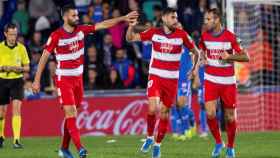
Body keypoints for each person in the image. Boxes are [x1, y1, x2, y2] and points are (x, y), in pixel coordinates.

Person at [31, 4, 138, 158]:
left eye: (77, 15)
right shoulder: (56, 36)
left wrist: (123, 18)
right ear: (65, 17)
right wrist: (36, 80)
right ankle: (80, 148)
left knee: (72, 116)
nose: (77, 18)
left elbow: (103, 24)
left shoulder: (81, 30)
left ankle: (64, 149)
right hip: (64, 80)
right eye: (73, 16)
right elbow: (44, 58)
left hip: (78, 80)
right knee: (71, 113)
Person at [126, 7, 200, 158]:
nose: (176, 20)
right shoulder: (154, 32)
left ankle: (158, 145)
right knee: (152, 109)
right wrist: (130, 25)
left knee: (164, 113)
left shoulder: (182, 35)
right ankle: (149, 138)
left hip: (171, 80)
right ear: (165, 18)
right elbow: (130, 38)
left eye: (176, 17)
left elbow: (196, 52)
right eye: (173, 17)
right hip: (156, 77)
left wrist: (193, 69)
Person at [199, 8, 249, 158]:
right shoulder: (204, 36)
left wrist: (229, 57)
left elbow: (246, 57)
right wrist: (202, 57)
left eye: (208, 19)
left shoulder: (230, 37)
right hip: (211, 79)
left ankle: (230, 147)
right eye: (205, 19)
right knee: (210, 112)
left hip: (228, 82)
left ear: (217, 20)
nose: (205, 22)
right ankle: (218, 142)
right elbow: (201, 49)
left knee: (230, 117)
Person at [0, 23, 30, 149]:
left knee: (16, 108)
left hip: (17, 81)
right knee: (2, 112)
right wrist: (2, 68)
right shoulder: (0, 47)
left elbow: (27, 67)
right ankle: (1, 136)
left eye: (15, 34)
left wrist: (20, 69)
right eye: (11, 34)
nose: (13, 37)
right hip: (2, 80)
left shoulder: (22, 48)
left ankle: (16, 140)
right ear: (5, 34)